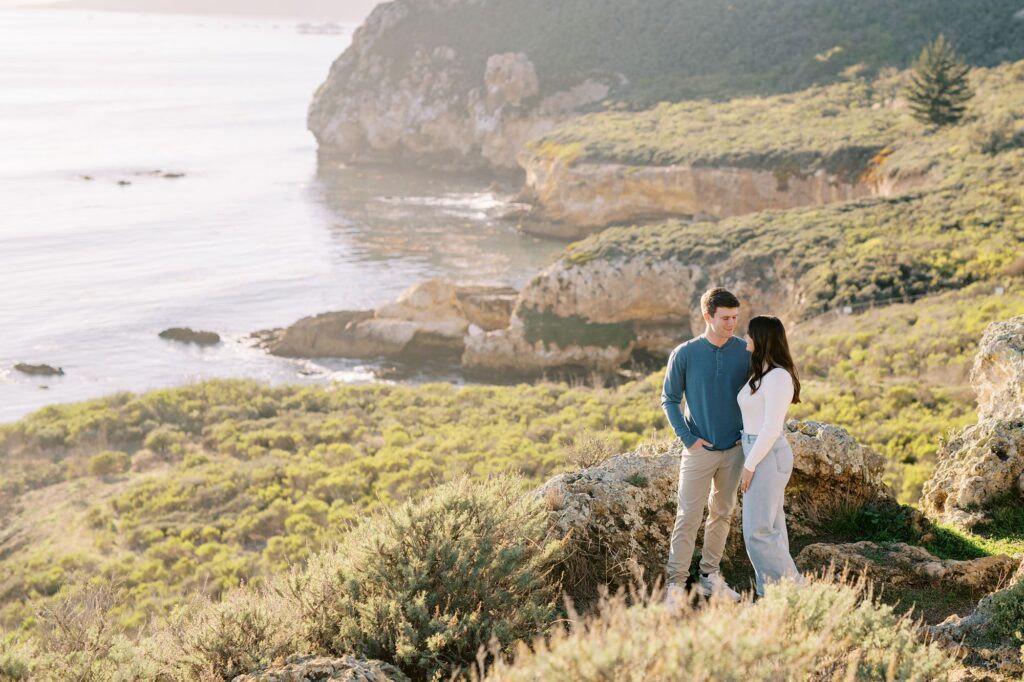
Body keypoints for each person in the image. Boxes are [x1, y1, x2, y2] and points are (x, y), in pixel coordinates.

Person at [661, 287, 750, 605]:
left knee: (722, 513)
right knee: (687, 516)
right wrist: (687, 439)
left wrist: (748, 434)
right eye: (725, 318)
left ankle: (710, 577)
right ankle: (675, 585)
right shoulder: (685, 353)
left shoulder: (744, 351)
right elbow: (669, 399)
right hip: (698, 451)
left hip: (735, 449)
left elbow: (759, 393)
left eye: (735, 318)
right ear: (707, 317)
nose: (732, 324)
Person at [737, 314, 803, 598]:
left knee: (757, 532)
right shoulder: (761, 373)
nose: (745, 338)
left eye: (749, 334)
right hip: (756, 450)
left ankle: (796, 593)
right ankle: (777, 596)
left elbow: (771, 427)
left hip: (766, 454)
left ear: (761, 338)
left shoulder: (778, 377)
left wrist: (749, 466)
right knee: (772, 530)